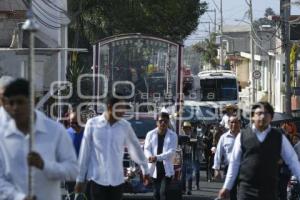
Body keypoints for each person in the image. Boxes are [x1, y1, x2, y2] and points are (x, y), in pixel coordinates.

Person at [0, 78, 78, 200]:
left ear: (32, 101)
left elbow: (72, 171)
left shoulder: (55, 131)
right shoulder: (2, 135)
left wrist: (45, 165)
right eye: (11, 103)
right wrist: (19, 197)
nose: (15, 108)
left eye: (20, 102)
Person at [218, 101, 300, 200]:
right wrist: (227, 186)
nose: (262, 117)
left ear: (271, 117)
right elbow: (234, 163)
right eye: (258, 113)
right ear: (253, 116)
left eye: (266, 113)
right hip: (246, 190)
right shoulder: (242, 136)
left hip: (269, 191)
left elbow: (293, 161)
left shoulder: (279, 137)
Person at [75, 95, 150, 200]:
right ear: (110, 107)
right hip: (96, 180)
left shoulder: (125, 126)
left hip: (117, 182)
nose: (124, 111)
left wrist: (145, 170)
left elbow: (135, 148)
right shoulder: (92, 124)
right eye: (121, 107)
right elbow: (84, 153)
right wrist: (80, 179)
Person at [144, 112, 178, 200]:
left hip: (166, 170)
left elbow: (171, 152)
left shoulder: (173, 135)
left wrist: (157, 157)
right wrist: (149, 157)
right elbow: (146, 149)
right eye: (161, 121)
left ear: (168, 123)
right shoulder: (150, 134)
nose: (163, 123)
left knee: (163, 193)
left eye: (165, 122)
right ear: (157, 122)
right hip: (154, 169)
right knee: (156, 194)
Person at [213, 115, 240, 200]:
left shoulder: (243, 136)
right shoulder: (224, 137)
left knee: (244, 191)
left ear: (239, 124)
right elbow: (218, 153)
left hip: (243, 168)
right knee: (231, 192)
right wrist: (216, 169)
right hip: (229, 168)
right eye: (231, 122)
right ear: (228, 123)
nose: (234, 124)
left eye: (236, 122)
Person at [65, 111, 85, 200]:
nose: (73, 125)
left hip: (84, 172)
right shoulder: (66, 133)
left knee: (81, 196)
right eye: (71, 122)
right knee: (71, 195)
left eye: (76, 122)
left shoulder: (87, 133)